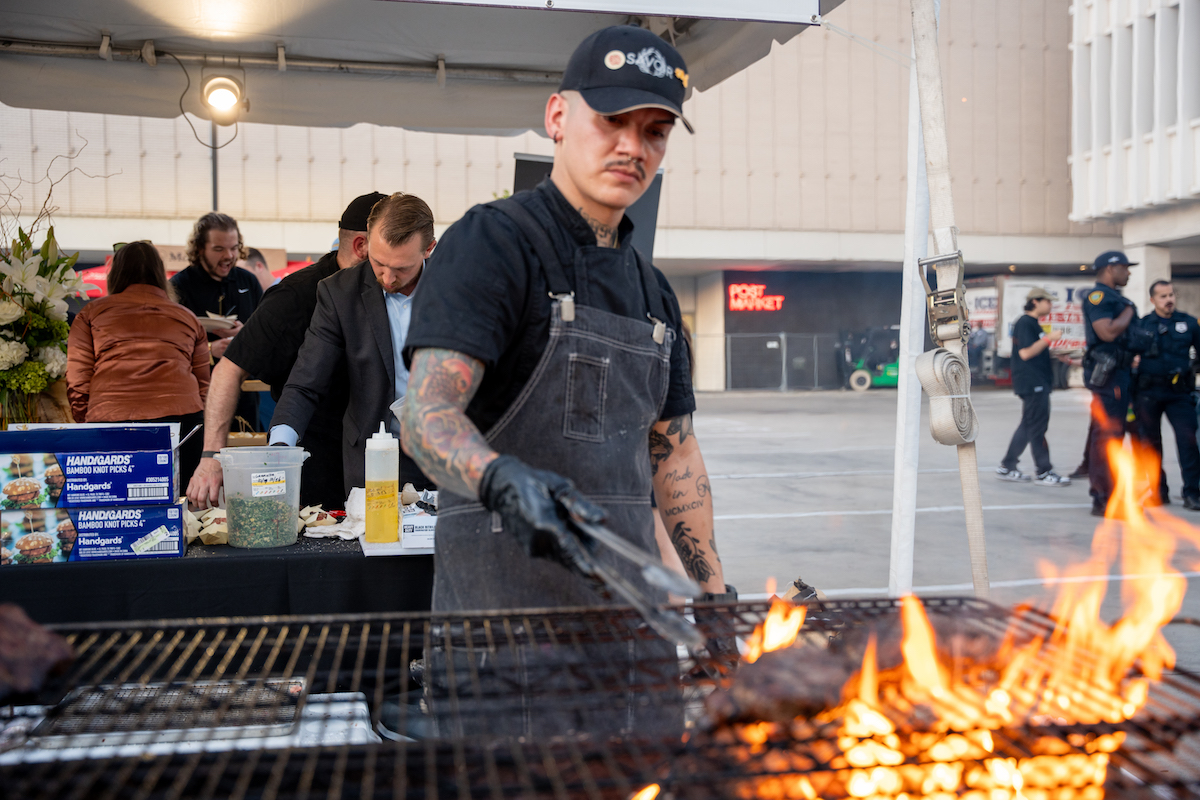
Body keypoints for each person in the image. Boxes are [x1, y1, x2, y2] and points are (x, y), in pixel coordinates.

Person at [400, 26, 728, 737]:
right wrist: (500, 479)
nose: (631, 146)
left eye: (655, 129)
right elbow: (424, 414)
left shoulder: (655, 293)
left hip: (629, 651)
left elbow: (674, 454)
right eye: (611, 120)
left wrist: (711, 595)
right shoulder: (492, 244)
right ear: (557, 117)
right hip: (499, 643)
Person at [186, 194, 385, 510]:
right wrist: (211, 456)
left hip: (378, 459)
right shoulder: (296, 296)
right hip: (311, 465)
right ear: (361, 246)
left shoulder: (392, 291)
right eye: (389, 254)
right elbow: (230, 367)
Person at [268, 193, 436, 495]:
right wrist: (281, 444)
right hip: (373, 459)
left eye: (402, 268)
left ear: (429, 250)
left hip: (451, 456)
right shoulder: (339, 293)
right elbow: (306, 382)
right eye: (379, 262)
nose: (387, 277)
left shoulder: (463, 289)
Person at [66, 242, 210, 488]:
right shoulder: (188, 317)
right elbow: (205, 386)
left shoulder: (90, 313)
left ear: (116, 273)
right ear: (159, 273)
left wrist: (90, 421)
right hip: (182, 420)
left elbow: (77, 381)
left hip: (111, 420)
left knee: (113, 499)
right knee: (181, 504)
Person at [171, 212, 263, 429]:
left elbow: (266, 336)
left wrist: (245, 335)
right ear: (200, 248)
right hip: (197, 399)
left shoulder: (248, 281)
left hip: (245, 397)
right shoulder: (179, 287)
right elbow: (170, 349)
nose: (229, 256)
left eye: (233, 248)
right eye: (219, 249)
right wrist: (210, 349)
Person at [1082, 250, 1141, 516]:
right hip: (1110, 378)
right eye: (1125, 268)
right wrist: (1128, 311)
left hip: (1121, 374)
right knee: (1108, 437)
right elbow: (1105, 332)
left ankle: (1108, 494)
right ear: (1110, 268)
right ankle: (1104, 497)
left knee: (1112, 435)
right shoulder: (1100, 297)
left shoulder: (1115, 297)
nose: (1128, 272)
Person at [1132, 280, 1200, 509]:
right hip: (1148, 392)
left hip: (1179, 393)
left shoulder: (1189, 323)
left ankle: (1192, 493)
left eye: (1171, 295)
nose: (1168, 299)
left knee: (1188, 442)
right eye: (1163, 296)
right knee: (1150, 445)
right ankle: (1157, 491)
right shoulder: (1142, 325)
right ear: (1153, 300)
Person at [996, 287, 1070, 486]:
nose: (1050, 305)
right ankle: (1043, 471)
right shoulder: (1026, 322)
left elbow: (1033, 351)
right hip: (1032, 382)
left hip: (1037, 381)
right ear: (1035, 301)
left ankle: (1008, 465)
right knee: (1036, 427)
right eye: (1048, 301)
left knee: (1030, 425)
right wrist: (1048, 339)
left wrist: (1054, 353)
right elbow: (1025, 353)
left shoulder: (1032, 324)